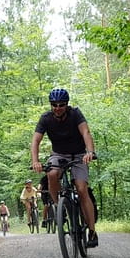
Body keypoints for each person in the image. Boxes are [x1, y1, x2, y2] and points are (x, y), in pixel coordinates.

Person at [30, 87, 98, 248]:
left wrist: (90, 152)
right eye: (54, 104)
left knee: (81, 189)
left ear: (66, 105)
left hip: (79, 155)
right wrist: (35, 161)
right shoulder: (46, 118)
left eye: (61, 104)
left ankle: (92, 231)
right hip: (59, 155)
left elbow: (86, 133)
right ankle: (59, 207)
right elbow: (35, 141)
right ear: (51, 105)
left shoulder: (75, 114)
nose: (57, 108)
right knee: (51, 174)